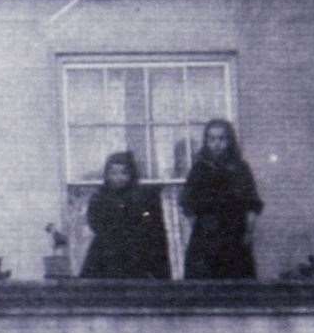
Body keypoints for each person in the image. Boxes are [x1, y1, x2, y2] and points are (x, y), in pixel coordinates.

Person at [180, 119, 263, 280]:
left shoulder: (240, 168)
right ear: (206, 141)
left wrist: (249, 231)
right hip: (206, 235)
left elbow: (252, 202)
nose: (216, 144)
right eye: (211, 139)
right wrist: (200, 227)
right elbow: (187, 202)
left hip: (234, 234)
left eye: (222, 139)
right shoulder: (199, 169)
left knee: (236, 281)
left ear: (230, 141)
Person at [79, 151, 171, 280]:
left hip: (137, 258)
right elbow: (96, 224)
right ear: (106, 175)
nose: (118, 178)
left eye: (124, 173)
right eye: (113, 173)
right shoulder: (99, 198)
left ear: (131, 175)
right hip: (106, 258)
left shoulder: (142, 199)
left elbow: (153, 231)